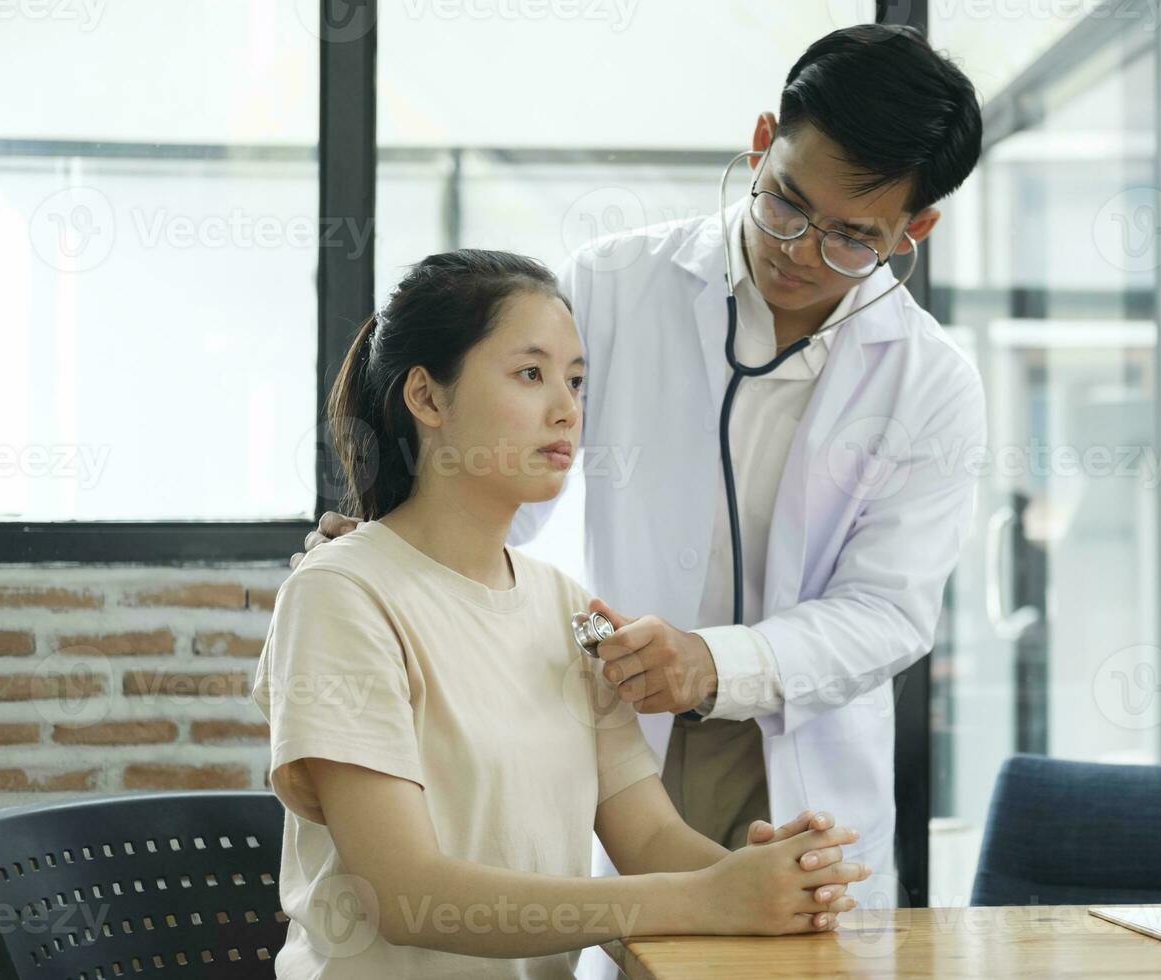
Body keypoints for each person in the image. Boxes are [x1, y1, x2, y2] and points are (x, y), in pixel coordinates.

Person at [300, 23, 987, 977]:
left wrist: (713, 664)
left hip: (794, 743)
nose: (800, 246)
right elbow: (505, 471)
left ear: (913, 231)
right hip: (632, 716)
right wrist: (394, 556)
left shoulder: (932, 383)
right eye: (787, 201)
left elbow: (890, 613)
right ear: (760, 144)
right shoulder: (614, 285)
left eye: (850, 236)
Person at [254, 249, 870, 979]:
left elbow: (647, 837)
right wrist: (705, 899)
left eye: (577, 381)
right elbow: (407, 895)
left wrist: (768, 882)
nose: (566, 408)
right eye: (530, 374)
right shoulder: (342, 595)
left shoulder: (569, 609)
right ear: (426, 397)